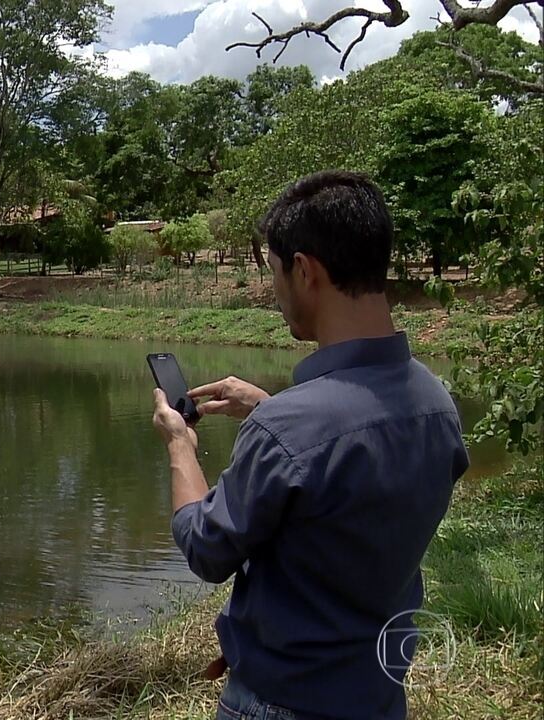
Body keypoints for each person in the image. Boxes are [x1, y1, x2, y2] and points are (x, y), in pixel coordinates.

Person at [150, 170, 469, 719]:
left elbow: (206, 546)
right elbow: (352, 486)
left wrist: (180, 444)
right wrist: (270, 407)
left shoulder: (293, 429)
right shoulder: (436, 402)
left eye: (274, 272)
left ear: (304, 271)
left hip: (280, 704)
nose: (275, 293)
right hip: (379, 697)